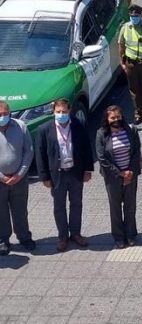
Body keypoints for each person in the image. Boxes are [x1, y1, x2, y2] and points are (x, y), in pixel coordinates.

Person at [35, 98, 93, 252]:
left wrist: (88, 170)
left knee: (76, 203)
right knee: (59, 206)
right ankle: (62, 237)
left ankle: (75, 234)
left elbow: (87, 147)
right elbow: (40, 154)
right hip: (57, 175)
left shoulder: (78, 125)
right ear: (53, 112)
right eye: (58, 112)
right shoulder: (44, 129)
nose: (61, 115)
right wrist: (44, 177)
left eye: (64, 112)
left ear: (69, 111)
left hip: (75, 172)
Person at [95, 105, 141, 249]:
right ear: (107, 119)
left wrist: (130, 172)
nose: (116, 120)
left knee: (130, 206)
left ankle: (131, 235)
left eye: (118, 117)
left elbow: (136, 151)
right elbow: (102, 158)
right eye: (112, 118)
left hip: (131, 174)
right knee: (115, 207)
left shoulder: (131, 130)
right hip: (112, 177)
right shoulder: (101, 134)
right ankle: (119, 237)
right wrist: (120, 173)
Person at [0, 101, 35, 255]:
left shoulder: (20, 126)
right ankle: (3, 240)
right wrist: (2, 177)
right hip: (0, 181)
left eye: (5, 114)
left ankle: (24, 237)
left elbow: (29, 151)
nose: (2, 117)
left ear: (10, 113)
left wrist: (19, 174)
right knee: (1, 212)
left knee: (20, 210)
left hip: (19, 179)